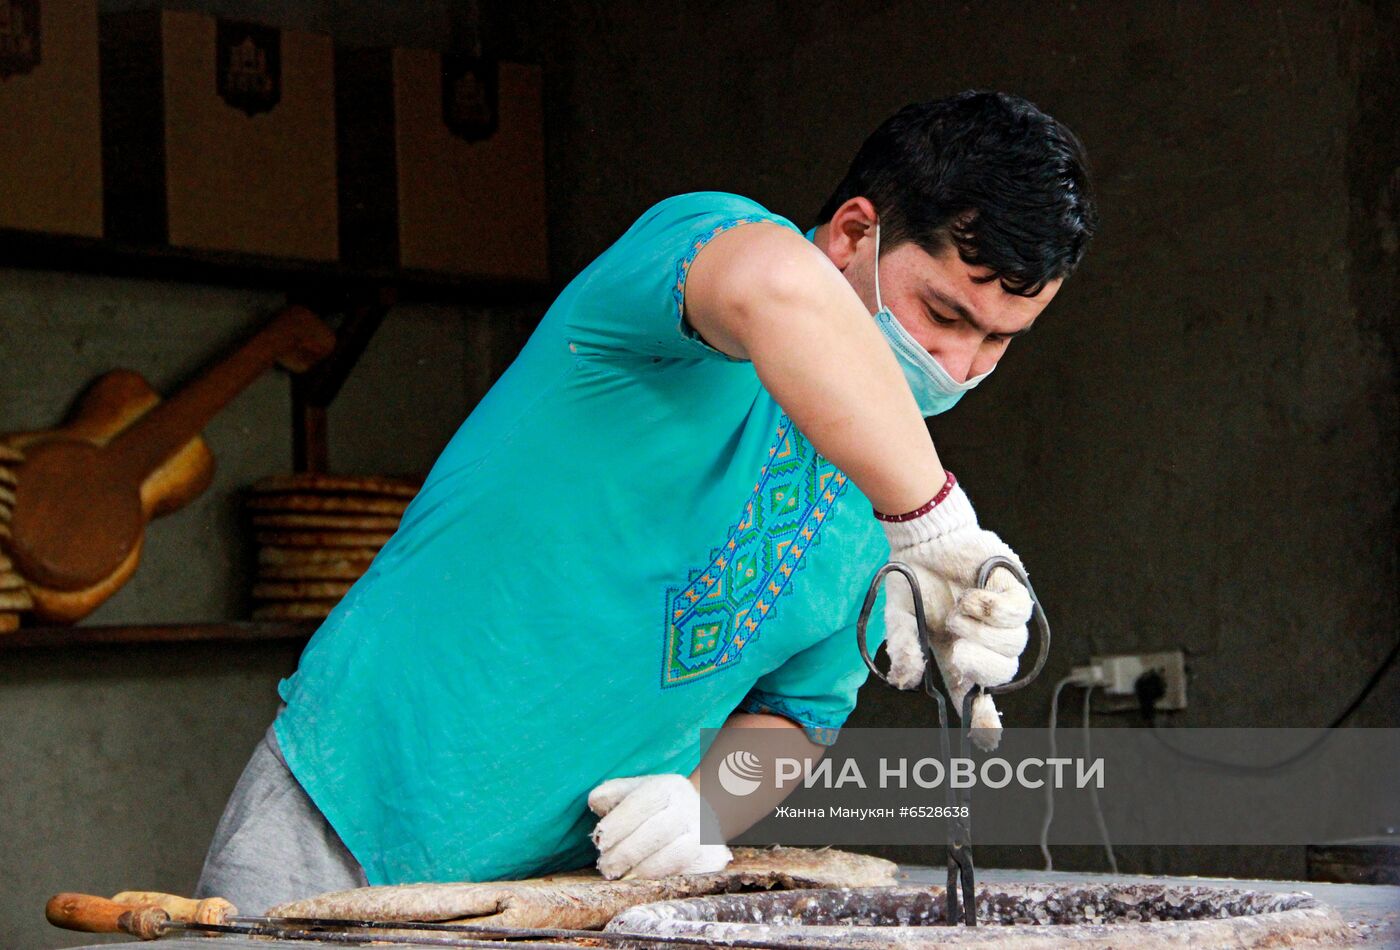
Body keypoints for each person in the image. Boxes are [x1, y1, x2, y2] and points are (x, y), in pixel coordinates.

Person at [195, 90, 1097, 912]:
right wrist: (934, 521)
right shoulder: (707, 246)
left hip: (565, 899)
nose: (961, 366)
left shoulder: (883, 488)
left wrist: (707, 806)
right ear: (853, 236)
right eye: (944, 315)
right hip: (352, 816)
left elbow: (799, 716)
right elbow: (778, 292)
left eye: (999, 340)